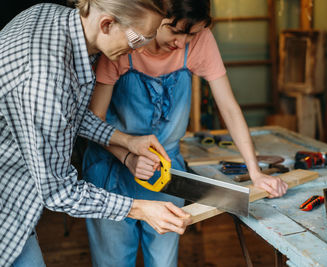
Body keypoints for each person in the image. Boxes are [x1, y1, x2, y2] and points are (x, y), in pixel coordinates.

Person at [83, 0, 289, 266]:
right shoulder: (124, 41)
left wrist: (255, 171)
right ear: (155, 17)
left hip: (167, 174)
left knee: (164, 261)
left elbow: (228, 106)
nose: (182, 42)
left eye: (191, 34)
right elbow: (93, 121)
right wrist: (128, 157)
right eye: (174, 31)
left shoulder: (200, 40)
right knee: (114, 261)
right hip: (111, 171)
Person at [0, 0, 193, 266]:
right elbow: (59, 192)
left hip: (16, 202)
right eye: (139, 38)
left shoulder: (55, 20)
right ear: (107, 24)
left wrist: (127, 142)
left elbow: (69, 116)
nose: (142, 48)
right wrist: (139, 208)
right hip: (6, 207)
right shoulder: (45, 78)